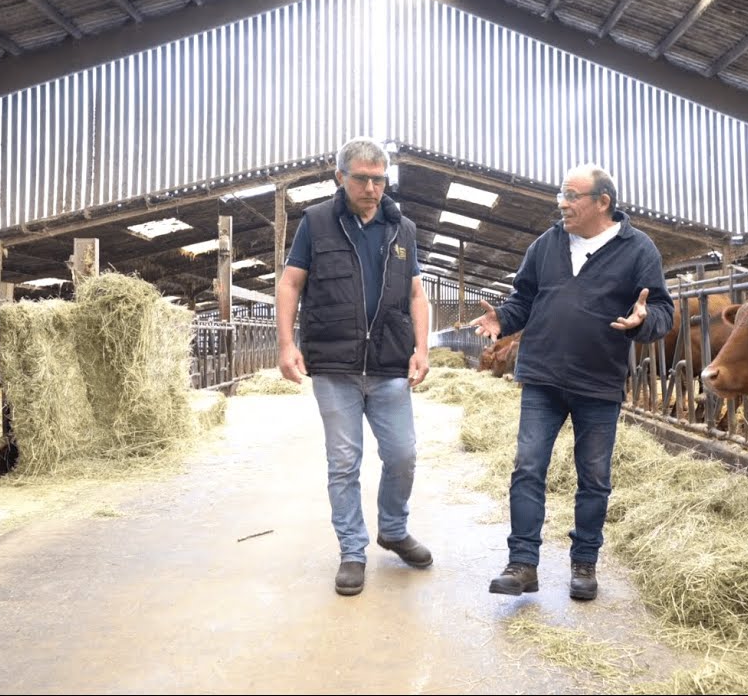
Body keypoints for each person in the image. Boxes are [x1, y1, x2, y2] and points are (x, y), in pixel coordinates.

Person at [468, 163, 674, 601]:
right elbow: (523, 299)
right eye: (561, 195)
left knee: (594, 476)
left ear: (603, 202)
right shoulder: (546, 244)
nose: (562, 203)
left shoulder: (638, 249)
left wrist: (643, 320)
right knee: (528, 468)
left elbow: (662, 311)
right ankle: (523, 564)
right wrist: (502, 319)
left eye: (572, 196)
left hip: (598, 381)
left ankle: (584, 563)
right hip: (542, 377)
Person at [276, 137, 433, 597]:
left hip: (389, 363)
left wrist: (422, 349)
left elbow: (417, 294)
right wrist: (285, 345)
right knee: (344, 462)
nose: (371, 188)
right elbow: (290, 284)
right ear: (340, 176)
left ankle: (394, 529)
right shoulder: (316, 222)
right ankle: (352, 550)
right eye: (361, 178)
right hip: (334, 365)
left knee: (402, 455)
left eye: (379, 179)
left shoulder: (402, 228)